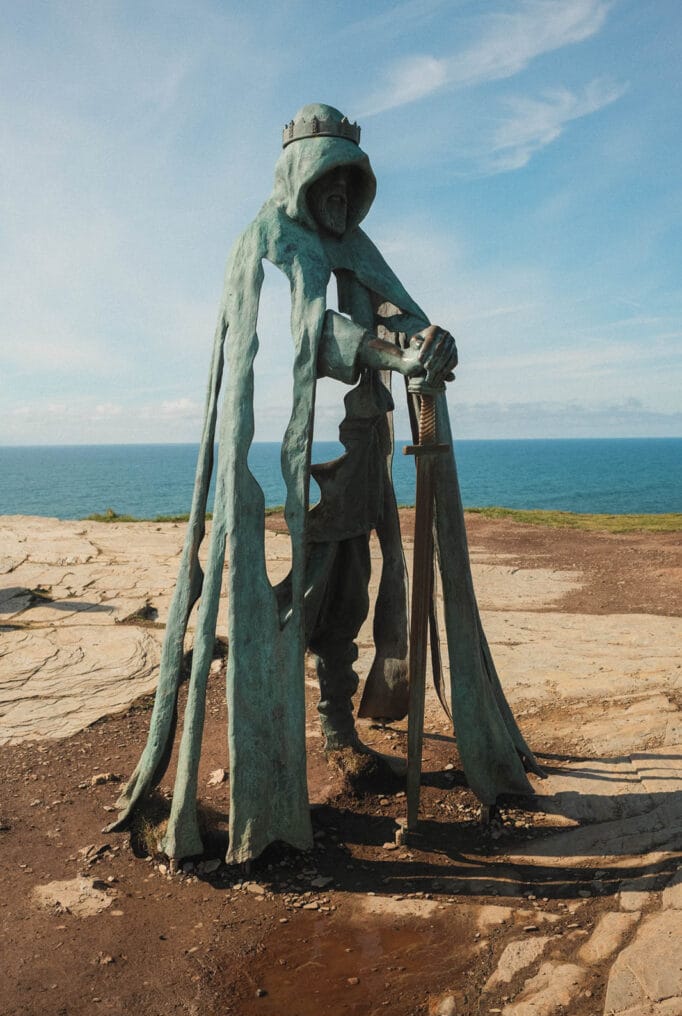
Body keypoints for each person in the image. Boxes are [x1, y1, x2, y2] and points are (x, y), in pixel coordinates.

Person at [107, 104, 540, 866]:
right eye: (327, 184)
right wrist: (386, 350)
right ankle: (259, 774)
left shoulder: (357, 246)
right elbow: (314, 334)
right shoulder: (267, 242)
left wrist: (427, 340)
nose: (339, 200)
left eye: (350, 186)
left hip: (358, 463)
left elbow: (402, 315)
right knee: (281, 613)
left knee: (347, 598)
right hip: (287, 473)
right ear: (300, 179)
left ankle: (340, 735)